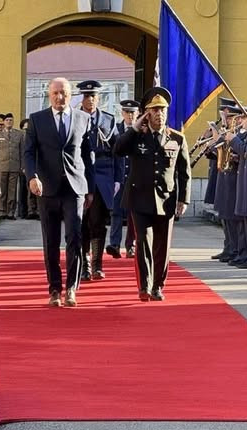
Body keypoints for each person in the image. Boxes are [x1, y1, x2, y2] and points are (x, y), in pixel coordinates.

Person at [113, 86, 191, 302]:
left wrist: (183, 199)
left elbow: (184, 172)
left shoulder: (177, 138)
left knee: (162, 246)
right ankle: (144, 286)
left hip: (166, 200)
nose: (159, 114)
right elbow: (118, 150)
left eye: (162, 110)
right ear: (147, 113)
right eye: (155, 110)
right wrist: (134, 128)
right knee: (143, 243)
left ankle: (157, 285)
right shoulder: (137, 136)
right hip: (140, 198)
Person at [24, 77, 94, 308]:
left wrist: (90, 188)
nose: (59, 97)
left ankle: (71, 288)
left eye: (63, 92)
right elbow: (29, 152)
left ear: (70, 95)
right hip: (47, 189)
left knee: (74, 238)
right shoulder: (37, 120)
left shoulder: (83, 118)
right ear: (49, 95)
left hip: (74, 189)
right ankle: (54, 289)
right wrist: (32, 177)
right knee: (51, 241)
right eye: (55, 93)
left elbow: (88, 155)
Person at [76, 80, 121, 281]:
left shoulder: (108, 120)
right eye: (86, 96)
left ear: (98, 98)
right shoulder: (73, 117)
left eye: (93, 96)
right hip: (80, 174)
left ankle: (97, 265)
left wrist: (118, 178)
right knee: (81, 223)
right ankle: (84, 266)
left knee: (98, 222)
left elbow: (118, 152)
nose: (90, 100)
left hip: (103, 176)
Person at [107, 99, 138, 259]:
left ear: (137, 114)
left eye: (133, 113)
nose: (130, 116)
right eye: (127, 112)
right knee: (116, 213)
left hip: (135, 179)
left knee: (133, 214)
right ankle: (115, 244)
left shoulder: (141, 131)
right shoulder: (115, 130)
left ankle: (131, 245)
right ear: (122, 113)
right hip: (119, 179)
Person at [0, 113, 23, 219]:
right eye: (7, 120)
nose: (9, 122)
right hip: (1, 166)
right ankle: (1, 211)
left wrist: (22, 166)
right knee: (1, 190)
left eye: (11, 120)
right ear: (4, 122)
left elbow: (22, 151)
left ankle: (10, 212)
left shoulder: (19, 134)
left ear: (13, 121)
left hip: (15, 166)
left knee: (12, 190)